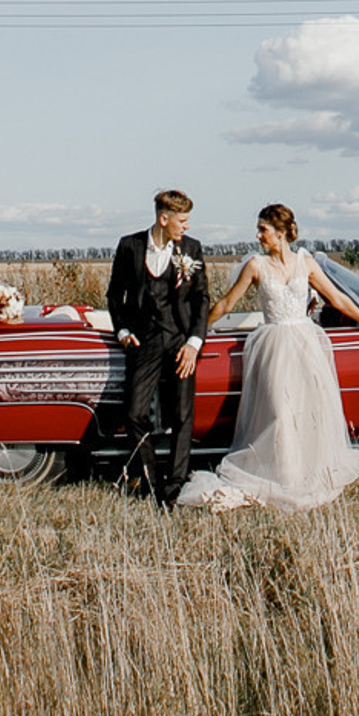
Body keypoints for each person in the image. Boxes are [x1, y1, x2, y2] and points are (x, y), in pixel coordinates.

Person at [176, 203, 359, 514]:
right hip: (274, 345)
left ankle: (310, 474)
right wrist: (196, 336)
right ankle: (285, 477)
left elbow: (337, 298)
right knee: (281, 412)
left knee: (309, 409)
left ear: (281, 233)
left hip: (306, 343)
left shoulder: (305, 261)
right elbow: (226, 304)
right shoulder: (255, 265)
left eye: (263, 230)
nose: (258, 235)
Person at [105, 188, 210, 503]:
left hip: (180, 341)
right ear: (164, 219)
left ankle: (175, 486)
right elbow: (114, 295)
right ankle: (152, 479)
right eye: (182, 220)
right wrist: (122, 330)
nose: (186, 226)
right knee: (134, 413)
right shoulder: (130, 246)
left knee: (181, 415)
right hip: (144, 340)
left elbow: (201, 299)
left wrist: (194, 343)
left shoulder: (192, 248)